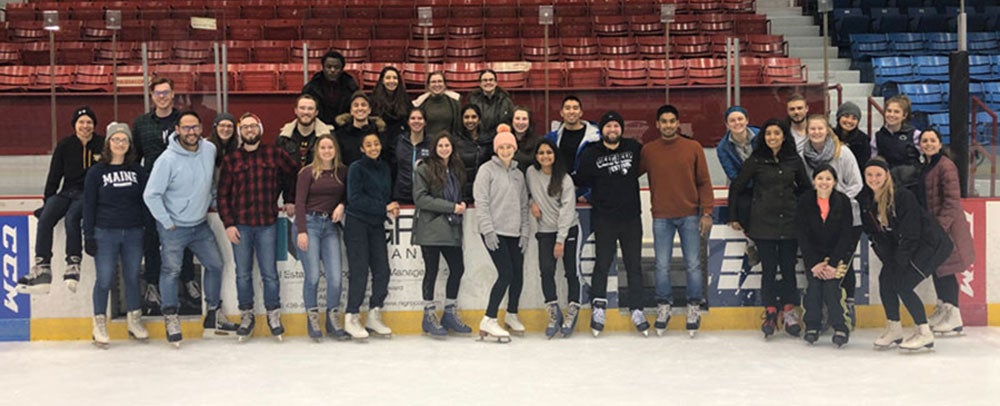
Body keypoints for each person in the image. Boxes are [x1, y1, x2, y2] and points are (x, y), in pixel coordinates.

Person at [143, 110, 237, 347]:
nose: (191, 132)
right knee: (171, 271)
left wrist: (215, 203)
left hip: (200, 225)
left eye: (194, 127)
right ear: (177, 130)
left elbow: (209, 184)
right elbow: (151, 194)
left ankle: (213, 314)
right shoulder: (166, 160)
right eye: (186, 128)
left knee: (216, 265)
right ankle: (171, 316)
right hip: (174, 228)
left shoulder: (209, 149)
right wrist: (166, 221)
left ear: (201, 128)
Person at [218, 113, 298, 342]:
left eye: (254, 126)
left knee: (270, 274)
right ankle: (246, 315)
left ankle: (274, 315)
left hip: (267, 225)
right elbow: (223, 195)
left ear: (260, 129)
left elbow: (294, 174)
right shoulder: (232, 159)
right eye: (245, 127)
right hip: (241, 226)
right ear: (240, 131)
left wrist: (290, 198)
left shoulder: (275, 154)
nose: (250, 130)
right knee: (242, 274)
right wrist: (229, 223)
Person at [728, 119, 811, 339]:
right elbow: (736, 187)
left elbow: (806, 189)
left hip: (790, 223)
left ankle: (789, 311)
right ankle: (770, 311)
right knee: (769, 270)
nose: (772, 137)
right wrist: (734, 215)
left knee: (788, 269)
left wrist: (804, 213)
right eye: (768, 134)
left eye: (776, 133)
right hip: (763, 224)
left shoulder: (794, 160)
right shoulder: (756, 160)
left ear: (784, 136)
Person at [861, 158, 953, 351]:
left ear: (886, 175)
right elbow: (877, 236)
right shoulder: (868, 201)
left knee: (903, 284)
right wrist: (889, 260)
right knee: (886, 279)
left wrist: (900, 262)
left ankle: (924, 333)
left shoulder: (902, 196)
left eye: (878, 174)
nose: (873, 178)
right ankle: (894, 329)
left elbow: (912, 233)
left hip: (931, 245)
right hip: (907, 247)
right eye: (869, 174)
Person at [639, 105, 714, 337]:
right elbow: (628, 174)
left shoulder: (693, 148)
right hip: (661, 215)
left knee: (692, 263)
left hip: (690, 215)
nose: (668, 125)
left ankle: (693, 305)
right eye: (664, 121)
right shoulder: (649, 151)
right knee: (662, 264)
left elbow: (703, 181)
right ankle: (664, 305)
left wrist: (707, 212)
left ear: (678, 123)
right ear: (658, 124)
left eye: (672, 121)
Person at [17, 107, 103, 295]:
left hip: (88, 194)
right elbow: (54, 175)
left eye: (89, 122)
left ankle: (73, 263)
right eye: (81, 122)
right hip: (67, 191)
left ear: (94, 125)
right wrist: (47, 200)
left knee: (73, 217)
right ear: (74, 125)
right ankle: (42, 266)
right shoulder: (65, 145)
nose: (85, 126)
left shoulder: (101, 144)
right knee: (46, 217)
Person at [131, 77, 198, 314]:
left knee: (184, 235)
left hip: (180, 190)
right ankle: (152, 284)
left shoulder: (184, 120)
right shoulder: (140, 123)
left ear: (173, 94)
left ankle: (188, 280)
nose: (162, 96)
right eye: (158, 93)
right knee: (151, 238)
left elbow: (195, 150)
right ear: (152, 95)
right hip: (153, 191)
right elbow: (134, 158)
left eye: (166, 92)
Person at [576, 111, 645, 337]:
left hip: (631, 217)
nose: (612, 130)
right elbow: (579, 179)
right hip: (604, 217)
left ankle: (637, 308)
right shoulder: (591, 153)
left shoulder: (634, 148)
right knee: (602, 263)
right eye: (608, 126)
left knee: (634, 265)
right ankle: (598, 307)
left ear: (621, 129)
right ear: (602, 130)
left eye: (616, 126)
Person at [82, 122, 148, 347]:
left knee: (132, 277)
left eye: (124, 140)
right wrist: (88, 235)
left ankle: (134, 320)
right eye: (116, 139)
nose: (120, 143)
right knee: (104, 279)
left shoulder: (137, 171)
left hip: (133, 232)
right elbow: (89, 205)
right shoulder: (96, 172)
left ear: (129, 144)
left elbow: (144, 202)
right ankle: (99, 323)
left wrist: (147, 230)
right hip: (105, 233)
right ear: (108, 143)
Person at [802, 114, 864, 325]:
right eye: (812, 129)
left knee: (842, 264)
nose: (816, 132)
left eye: (820, 128)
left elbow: (857, 183)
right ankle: (824, 312)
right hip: (819, 219)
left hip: (847, 219)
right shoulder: (804, 155)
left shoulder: (842, 152)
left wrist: (839, 202)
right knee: (820, 263)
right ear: (807, 131)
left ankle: (848, 306)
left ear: (828, 130)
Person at [412, 132, 473, 338]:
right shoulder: (425, 168)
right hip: (431, 227)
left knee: (457, 267)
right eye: (441, 145)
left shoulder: (456, 168)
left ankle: (449, 311)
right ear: (434, 148)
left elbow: (460, 192)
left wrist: (463, 202)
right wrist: (451, 207)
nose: (444, 149)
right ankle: (428, 314)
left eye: (447, 145)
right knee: (431, 270)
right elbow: (421, 199)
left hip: (451, 227)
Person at [474, 124, 530, 342]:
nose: (506, 150)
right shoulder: (486, 170)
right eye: (502, 147)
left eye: (509, 146)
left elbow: (524, 205)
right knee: (505, 273)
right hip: (494, 231)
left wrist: (524, 232)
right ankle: (488, 318)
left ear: (514, 148)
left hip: (515, 232)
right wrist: (488, 230)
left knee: (518, 275)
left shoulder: (518, 174)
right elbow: (482, 202)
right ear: (496, 149)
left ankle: (512, 313)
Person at [918, 129, 975, 336]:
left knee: (947, 269)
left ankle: (954, 315)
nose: (928, 144)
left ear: (940, 144)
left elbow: (951, 201)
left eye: (932, 140)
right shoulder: (928, 165)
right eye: (925, 141)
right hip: (934, 227)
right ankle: (943, 307)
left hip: (946, 228)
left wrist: (940, 227)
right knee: (938, 268)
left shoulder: (945, 166)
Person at [343, 132, 400, 340]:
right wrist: (383, 207)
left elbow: (384, 195)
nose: (373, 147)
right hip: (357, 223)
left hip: (375, 224)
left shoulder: (384, 167)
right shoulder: (356, 168)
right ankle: (351, 315)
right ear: (362, 149)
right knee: (359, 272)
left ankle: (374, 313)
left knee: (382, 270)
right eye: (369, 145)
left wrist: (389, 206)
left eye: (376, 143)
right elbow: (355, 199)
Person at [294, 134, 348, 341]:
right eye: (323, 148)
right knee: (314, 275)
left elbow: (346, 195)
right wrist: (301, 230)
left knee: (335, 278)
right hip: (310, 224)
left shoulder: (341, 171)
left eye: (330, 147)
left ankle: (332, 318)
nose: (327, 151)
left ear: (335, 150)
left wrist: (342, 205)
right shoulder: (307, 172)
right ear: (317, 150)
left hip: (330, 227)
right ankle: (312, 317)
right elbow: (299, 203)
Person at [526, 139, 582, 338]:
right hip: (545, 231)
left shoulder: (565, 179)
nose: (545, 156)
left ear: (555, 155)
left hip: (568, 231)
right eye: (541, 153)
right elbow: (528, 193)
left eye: (549, 152)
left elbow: (567, 211)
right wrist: (532, 201)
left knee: (571, 272)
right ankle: (553, 310)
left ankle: (573, 308)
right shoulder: (531, 174)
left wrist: (561, 239)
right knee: (546, 271)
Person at [796, 165, 854, 347]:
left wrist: (833, 264)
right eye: (820, 178)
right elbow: (802, 234)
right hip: (814, 257)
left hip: (837, 256)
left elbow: (846, 234)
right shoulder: (805, 201)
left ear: (835, 182)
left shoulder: (843, 201)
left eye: (828, 179)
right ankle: (812, 326)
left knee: (832, 288)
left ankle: (841, 327)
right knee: (814, 288)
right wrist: (814, 263)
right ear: (814, 181)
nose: (824, 182)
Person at [717, 105, 761, 277]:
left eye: (740, 119)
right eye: (732, 120)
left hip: (765, 181)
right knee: (743, 205)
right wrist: (750, 181)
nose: (737, 123)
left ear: (747, 120)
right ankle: (752, 243)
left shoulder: (760, 135)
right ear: (727, 125)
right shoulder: (723, 147)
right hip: (743, 184)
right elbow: (733, 174)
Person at [276, 94, 335, 219]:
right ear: (296, 110)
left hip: (322, 202)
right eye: (302, 108)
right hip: (292, 202)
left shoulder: (329, 137)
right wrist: (289, 199)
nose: (306, 112)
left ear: (316, 112)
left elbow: (334, 170)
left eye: (310, 109)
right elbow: (281, 174)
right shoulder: (283, 138)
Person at [545, 96, 600, 200]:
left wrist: (589, 195)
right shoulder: (551, 138)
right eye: (567, 108)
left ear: (581, 112)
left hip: (585, 196)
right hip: (559, 194)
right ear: (561, 112)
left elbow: (603, 170)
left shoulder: (596, 138)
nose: (571, 111)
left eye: (575, 108)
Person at [873, 95, 922, 193]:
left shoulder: (915, 135)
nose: (891, 114)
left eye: (896, 112)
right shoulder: (878, 136)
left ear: (904, 115)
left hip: (911, 185)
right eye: (889, 111)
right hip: (887, 186)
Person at [302, 49, 359, 126]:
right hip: (317, 128)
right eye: (329, 67)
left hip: (345, 128)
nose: (332, 70)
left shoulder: (351, 87)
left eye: (336, 67)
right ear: (323, 67)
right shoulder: (311, 88)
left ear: (342, 69)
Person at [335, 92, 388, 168]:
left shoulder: (380, 132)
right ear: (351, 111)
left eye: (363, 105)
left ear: (369, 110)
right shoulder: (340, 135)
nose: (360, 108)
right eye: (356, 105)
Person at [454, 104, 494, 201]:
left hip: (484, 190)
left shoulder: (488, 140)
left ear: (479, 119)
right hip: (461, 191)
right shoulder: (455, 140)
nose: (470, 120)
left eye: (474, 117)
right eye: (466, 117)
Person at [393, 107, 431, 204]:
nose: (416, 121)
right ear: (408, 122)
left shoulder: (431, 143)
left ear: (425, 122)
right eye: (413, 118)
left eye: (420, 118)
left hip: (425, 195)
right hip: (402, 195)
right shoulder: (399, 141)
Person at [465, 69, 514, 138]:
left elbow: (509, 122)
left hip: (498, 139)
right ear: (480, 84)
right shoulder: (472, 100)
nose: (488, 82)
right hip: (478, 139)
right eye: (485, 80)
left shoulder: (505, 100)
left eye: (491, 80)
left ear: (496, 82)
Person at [370, 65, 412, 142]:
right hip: (380, 139)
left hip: (401, 140)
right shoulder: (373, 100)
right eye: (388, 78)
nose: (392, 81)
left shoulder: (405, 99)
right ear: (382, 80)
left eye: (395, 78)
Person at [413, 71, 461, 138]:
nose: (437, 84)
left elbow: (458, 128)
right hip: (427, 144)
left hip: (448, 145)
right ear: (428, 85)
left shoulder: (454, 103)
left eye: (439, 81)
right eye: (433, 82)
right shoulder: (421, 103)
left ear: (445, 84)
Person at [833, 101, 872, 178]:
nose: (849, 121)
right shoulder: (830, 135)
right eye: (846, 116)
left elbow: (863, 166)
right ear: (838, 117)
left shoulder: (863, 140)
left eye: (854, 118)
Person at [511, 106, 543, 173]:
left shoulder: (539, 142)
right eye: (517, 118)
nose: (520, 122)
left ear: (529, 121)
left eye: (524, 119)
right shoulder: (504, 141)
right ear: (512, 120)